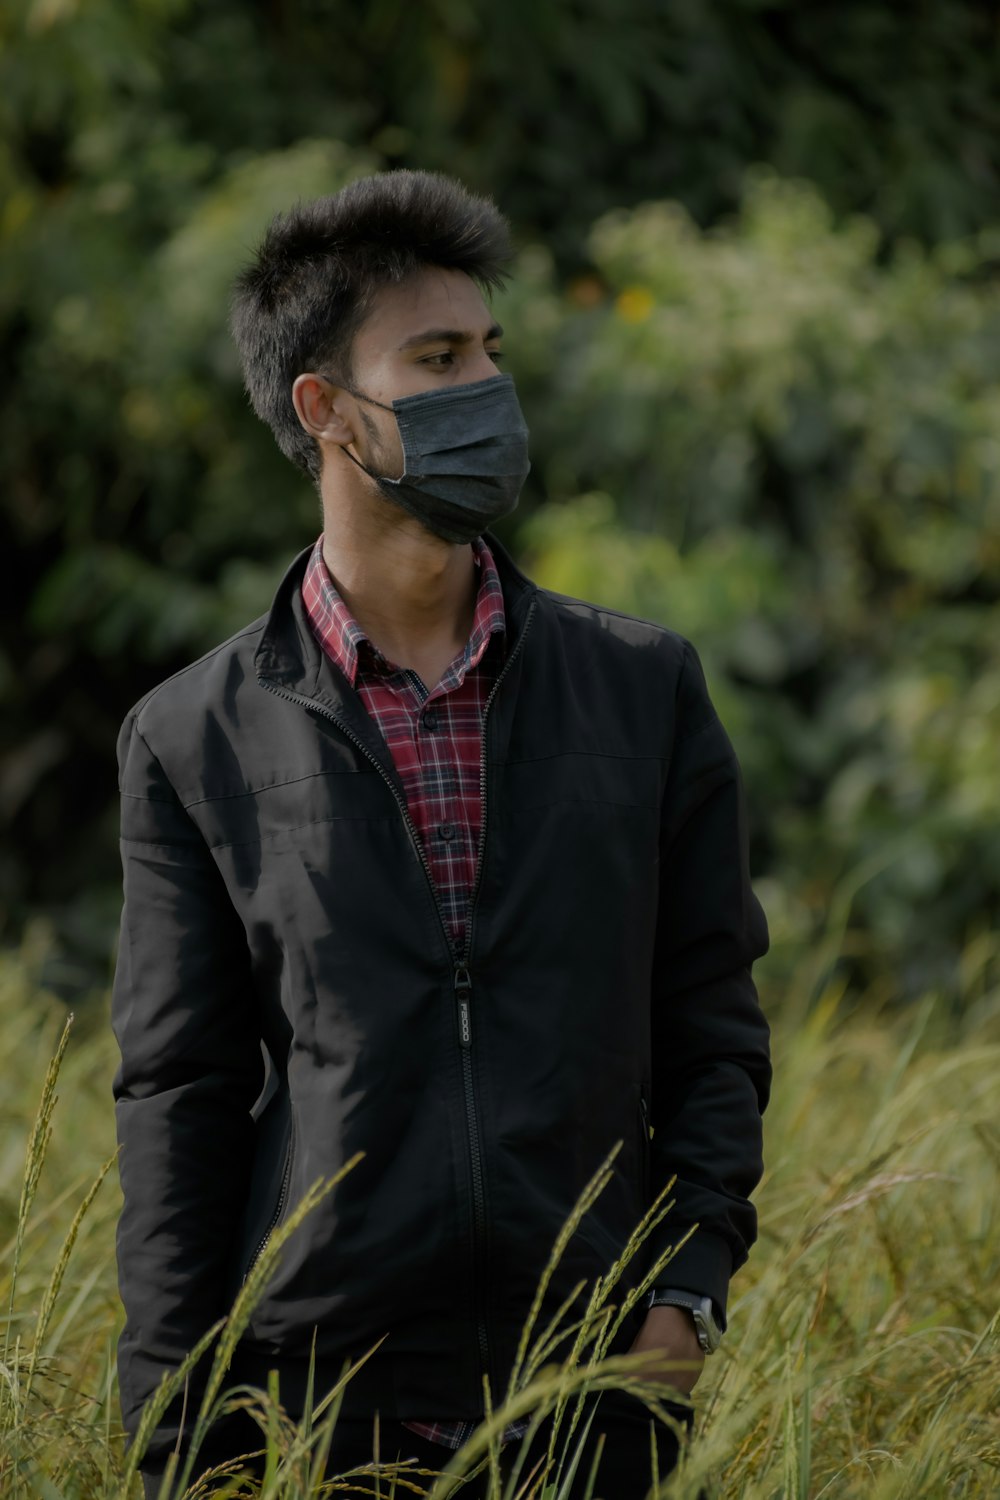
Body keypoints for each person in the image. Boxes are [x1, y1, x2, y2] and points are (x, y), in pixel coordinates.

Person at [112, 169, 771, 1499]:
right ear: (327, 410)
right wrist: (185, 1441)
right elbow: (177, 1102)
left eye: (491, 352)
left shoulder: (642, 690)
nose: (489, 390)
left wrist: (685, 1293)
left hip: (594, 1392)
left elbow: (710, 1019)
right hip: (325, 1410)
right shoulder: (194, 737)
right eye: (438, 357)